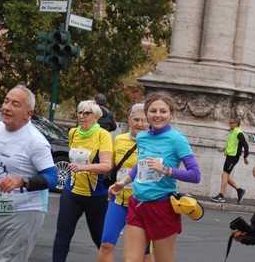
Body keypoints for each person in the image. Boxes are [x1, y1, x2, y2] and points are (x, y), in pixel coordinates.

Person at [0, 85, 58, 262]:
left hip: (26, 210)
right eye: (6, 101)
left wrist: (21, 181)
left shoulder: (36, 141)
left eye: (15, 104)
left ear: (28, 113)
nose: (7, 107)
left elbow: (53, 178)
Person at [109, 92, 201, 262]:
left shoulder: (177, 139)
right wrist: (123, 182)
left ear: (170, 114)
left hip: (162, 208)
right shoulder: (142, 137)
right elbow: (140, 165)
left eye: (163, 111)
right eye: (153, 111)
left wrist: (166, 169)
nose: (158, 115)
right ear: (147, 113)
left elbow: (195, 175)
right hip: (138, 204)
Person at [53, 100, 113, 262]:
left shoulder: (103, 135)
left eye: (86, 113)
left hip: (96, 195)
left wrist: (84, 168)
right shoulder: (73, 133)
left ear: (96, 117)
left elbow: (107, 165)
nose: (81, 116)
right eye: (79, 112)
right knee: (62, 235)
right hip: (72, 192)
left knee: (100, 239)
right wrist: (78, 169)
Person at [97, 103, 153, 262]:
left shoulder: (154, 143)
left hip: (143, 204)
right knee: (106, 244)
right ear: (129, 120)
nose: (140, 124)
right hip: (120, 201)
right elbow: (111, 166)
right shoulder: (119, 140)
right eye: (136, 119)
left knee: (144, 251)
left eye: (144, 120)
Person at [211, 117, 250, 204]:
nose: (229, 124)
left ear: (236, 124)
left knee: (225, 174)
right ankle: (240, 190)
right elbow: (232, 145)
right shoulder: (232, 132)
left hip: (234, 157)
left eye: (231, 122)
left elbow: (245, 145)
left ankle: (221, 195)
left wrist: (245, 157)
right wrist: (224, 149)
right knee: (225, 175)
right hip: (229, 156)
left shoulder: (239, 133)